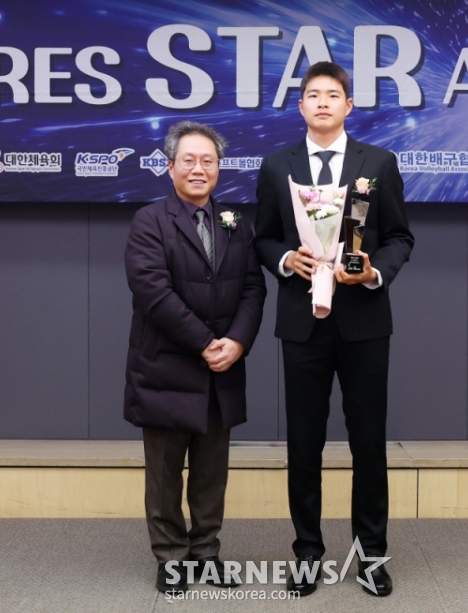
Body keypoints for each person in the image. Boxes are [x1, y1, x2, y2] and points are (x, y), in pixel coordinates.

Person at [253, 61, 414, 597]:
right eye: (313, 95)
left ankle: (371, 555)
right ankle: (307, 553)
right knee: (304, 444)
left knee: (369, 444)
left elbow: (399, 238)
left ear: (349, 106)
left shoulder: (379, 163)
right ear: (300, 106)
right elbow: (263, 238)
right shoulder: (278, 167)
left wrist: (374, 273)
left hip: (364, 321)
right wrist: (284, 261)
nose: (323, 102)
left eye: (333, 94)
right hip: (302, 322)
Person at [124, 121, 266, 595]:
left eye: (208, 161)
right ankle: (170, 558)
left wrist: (238, 342)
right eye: (189, 160)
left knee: (211, 471)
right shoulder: (150, 221)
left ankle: (206, 552)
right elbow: (152, 293)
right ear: (170, 168)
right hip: (166, 367)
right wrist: (206, 343)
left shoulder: (236, 223)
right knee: (164, 473)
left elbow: (252, 288)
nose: (199, 169)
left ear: (219, 169)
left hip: (220, 371)